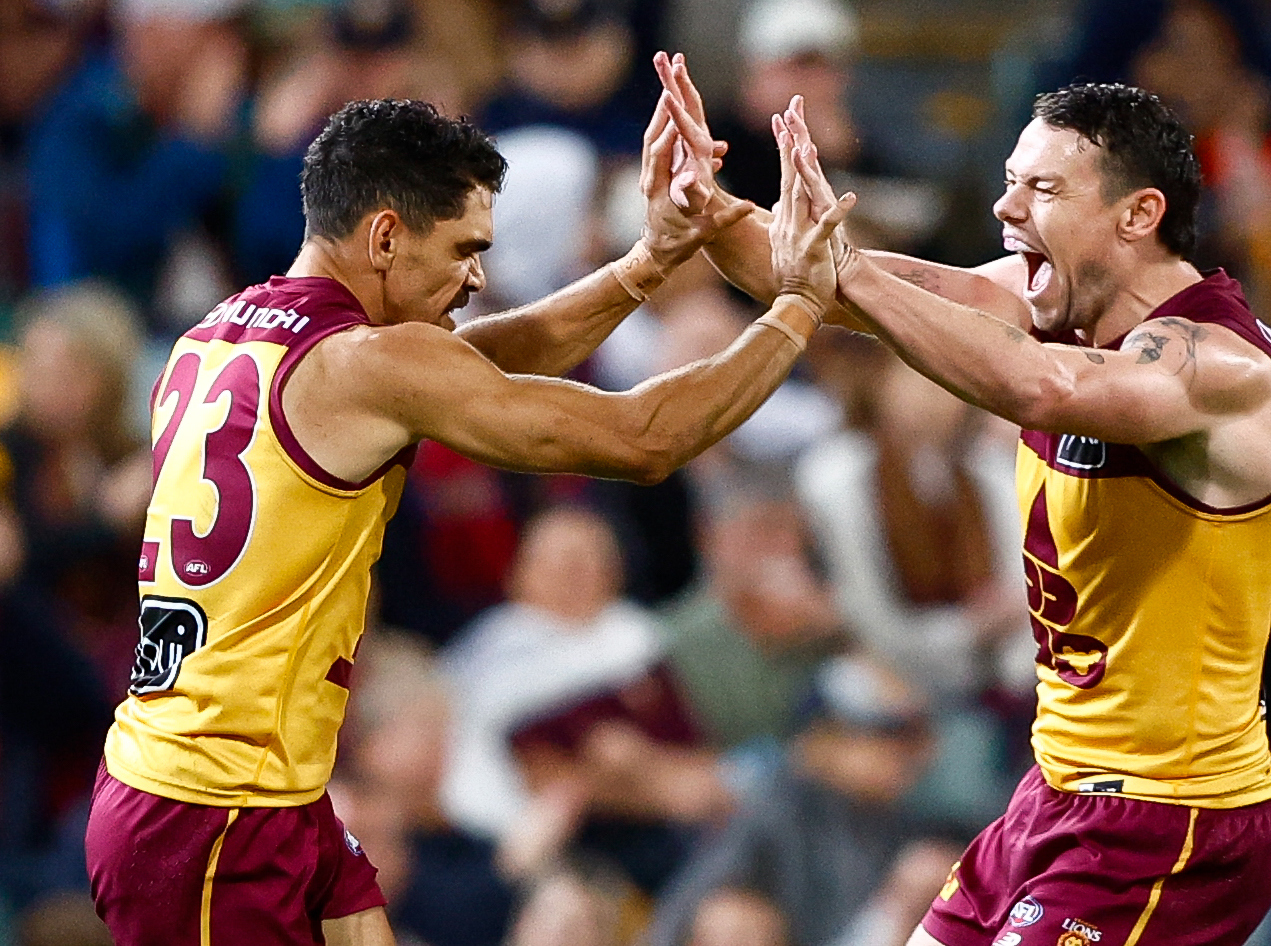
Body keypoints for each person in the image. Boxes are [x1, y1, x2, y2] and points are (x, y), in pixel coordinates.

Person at [84, 89, 854, 946]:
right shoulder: (367, 365)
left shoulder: (220, 334)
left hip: (243, 786)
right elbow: (645, 438)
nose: (478, 277)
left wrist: (646, 263)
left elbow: (480, 364)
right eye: (464, 249)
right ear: (385, 237)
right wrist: (799, 306)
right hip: (212, 816)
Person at [655, 52, 1271, 946]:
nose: (1004, 209)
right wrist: (706, 208)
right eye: (1007, 182)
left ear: (1138, 214)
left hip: (1174, 823)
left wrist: (847, 273)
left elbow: (1042, 387)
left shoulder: (1214, 366)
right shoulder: (1044, 305)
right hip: (1056, 793)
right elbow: (809, 275)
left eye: (1041, 188)